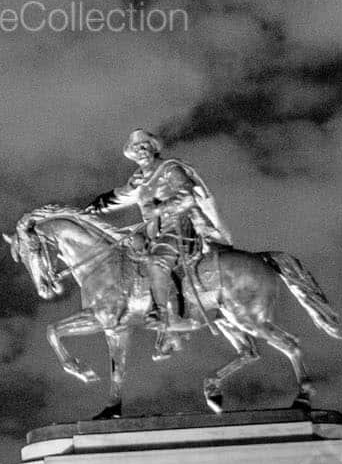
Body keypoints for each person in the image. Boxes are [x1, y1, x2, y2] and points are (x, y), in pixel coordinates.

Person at [83, 129, 233, 356]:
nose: (140, 150)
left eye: (144, 145)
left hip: (180, 228)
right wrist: (97, 205)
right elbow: (121, 195)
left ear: (154, 148)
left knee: (157, 261)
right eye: (136, 148)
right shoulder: (138, 180)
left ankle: (165, 314)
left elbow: (188, 195)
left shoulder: (169, 169)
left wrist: (160, 208)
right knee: (127, 253)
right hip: (156, 232)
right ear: (131, 154)